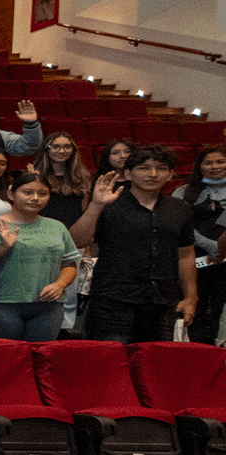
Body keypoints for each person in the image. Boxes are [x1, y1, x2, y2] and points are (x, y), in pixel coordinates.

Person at [69, 145, 197, 343]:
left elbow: (186, 255)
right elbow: (77, 241)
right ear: (128, 174)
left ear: (171, 174)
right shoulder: (108, 203)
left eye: (161, 168)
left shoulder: (180, 209)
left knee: (153, 364)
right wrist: (96, 205)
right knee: (111, 362)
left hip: (162, 301)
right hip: (112, 300)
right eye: (144, 168)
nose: (153, 174)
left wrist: (190, 297)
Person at [0, 173, 80, 341]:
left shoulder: (56, 226)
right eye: (27, 192)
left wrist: (60, 284)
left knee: (42, 358)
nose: (35, 198)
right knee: (7, 358)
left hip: (48, 307)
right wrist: (3, 247)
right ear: (11, 194)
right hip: (2, 304)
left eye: (42, 194)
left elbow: (69, 264)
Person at [182, 146, 226, 345]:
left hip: (225, 259)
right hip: (194, 257)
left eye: (220, 162)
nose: (214, 167)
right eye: (208, 163)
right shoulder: (184, 191)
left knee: (220, 306)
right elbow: (180, 225)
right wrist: (212, 247)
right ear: (199, 167)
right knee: (196, 305)